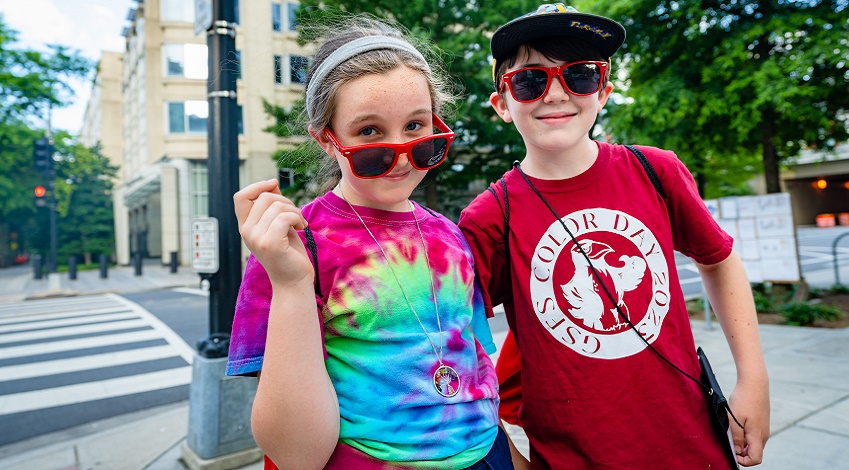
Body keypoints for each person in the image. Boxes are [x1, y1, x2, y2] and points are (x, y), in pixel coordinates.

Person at [458, 3, 770, 469]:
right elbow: (456, 344)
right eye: (530, 80)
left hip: (693, 447)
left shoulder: (655, 171)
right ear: (502, 103)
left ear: (602, 91)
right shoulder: (490, 217)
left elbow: (718, 259)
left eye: (579, 75)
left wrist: (753, 378)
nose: (557, 94)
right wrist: (510, 457)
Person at [226, 16, 517, 470]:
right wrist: (289, 284)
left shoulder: (451, 235)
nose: (401, 152)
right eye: (369, 132)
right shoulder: (295, 247)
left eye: (416, 126)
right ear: (327, 140)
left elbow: (474, 369)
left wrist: (511, 458)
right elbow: (294, 456)